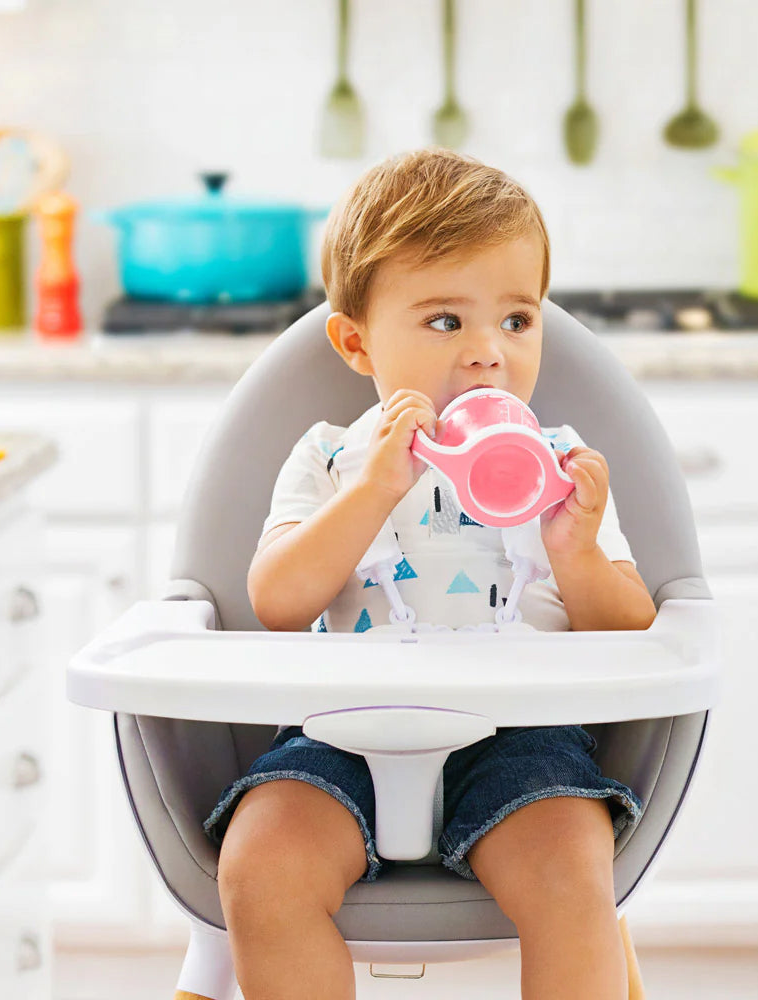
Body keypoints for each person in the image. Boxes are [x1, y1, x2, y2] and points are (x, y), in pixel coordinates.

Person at [202, 146, 657, 1000]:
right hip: (341, 735)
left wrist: (577, 552)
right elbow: (278, 601)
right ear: (355, 342)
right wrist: (371, 489)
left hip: (524, 742)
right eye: (446, 322)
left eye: (516, 321)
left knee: (572, 873)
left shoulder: (558, 466)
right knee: (261, 865)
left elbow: (630, 631)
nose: (489, 353)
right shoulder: (332, 456)